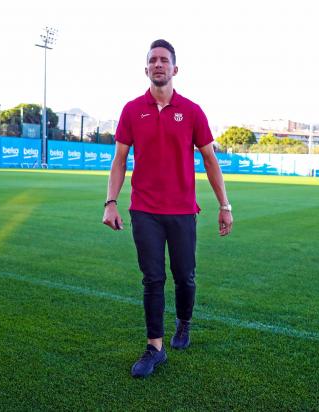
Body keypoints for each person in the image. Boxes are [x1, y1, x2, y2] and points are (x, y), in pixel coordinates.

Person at [102, 39, 233, 378]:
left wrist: (225, 205)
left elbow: (209, 159)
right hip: (144, 209)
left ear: (175, 69)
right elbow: (119, 160)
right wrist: (111, 202)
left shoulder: (191, 111)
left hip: (181, 211)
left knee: (185, 276)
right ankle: (154, 348)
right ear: (146, 69)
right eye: (152, 60)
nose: (158, 64)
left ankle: (184, 323)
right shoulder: (132, 110)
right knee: (152, 278)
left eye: (164, 60)